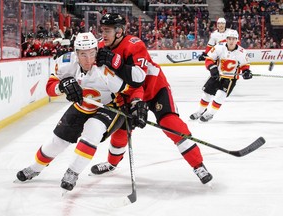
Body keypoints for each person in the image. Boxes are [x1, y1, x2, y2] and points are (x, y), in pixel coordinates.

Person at [90, 13, 213, 184]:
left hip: (154, 89)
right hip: (128, 93)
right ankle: (112, 164)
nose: (103, 34)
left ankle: (198, 165)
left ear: (119, 32)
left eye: (107, 31)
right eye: (102, 30)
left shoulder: (134, 44)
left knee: (171, 124)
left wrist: (116, 62)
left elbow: (138, 77)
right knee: (121, 130)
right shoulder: (101, 47)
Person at [16, 32, 147, 192]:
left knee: (93, 128)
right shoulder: (66, 63)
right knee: (57, 142)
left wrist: (137, 103)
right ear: (76, 53)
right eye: (83, 54)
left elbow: (134, 87)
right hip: (83, 105)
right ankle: (35, 168)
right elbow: (50, 88)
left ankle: (73, 172)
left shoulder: (107, 68)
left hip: (111, 107)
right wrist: (62, 86)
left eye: (92, 53)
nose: (88, 59)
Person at [190, 29, 253, 122]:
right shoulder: (219, 47)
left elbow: (245, 65)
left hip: (230, 79)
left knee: (220, 95)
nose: (231, 41)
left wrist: (246, 72)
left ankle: (210, 113)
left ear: (237, 40)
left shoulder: (242, 52)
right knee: (206, 95)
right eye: (229, 39)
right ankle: (200, 111)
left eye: (234, 39)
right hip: (217, 75)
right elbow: (209, 59)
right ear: (226, 39)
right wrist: (212, 68)